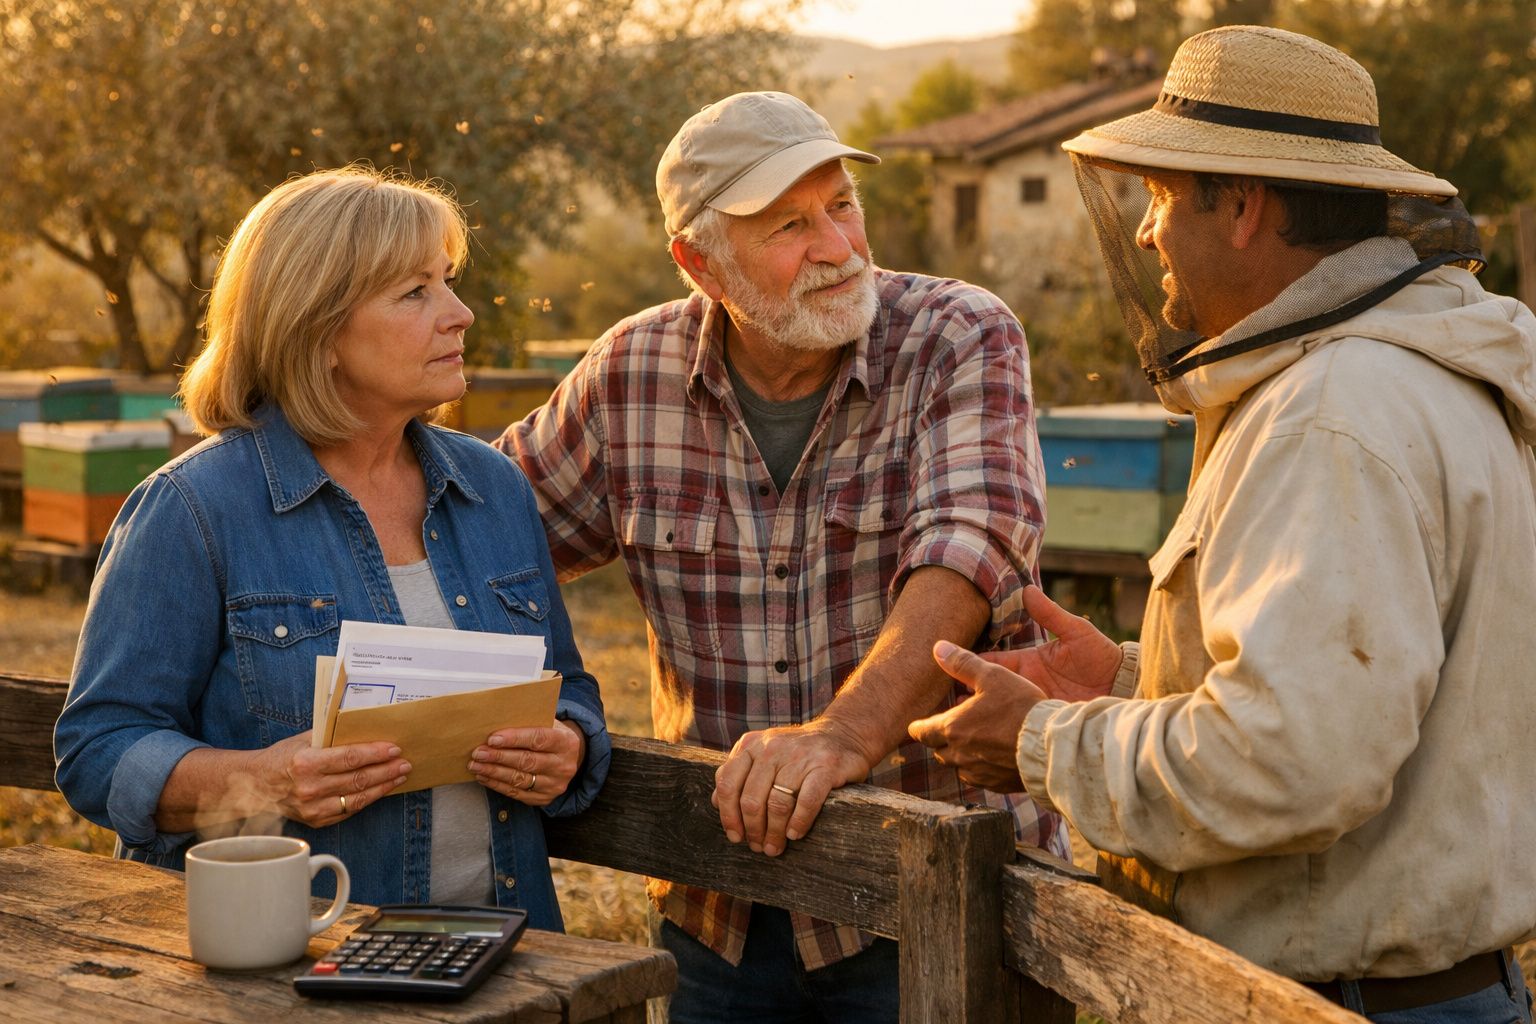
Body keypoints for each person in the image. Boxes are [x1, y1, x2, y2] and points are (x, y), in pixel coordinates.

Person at [910, 25, 1536, 1023]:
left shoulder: (1335, 411)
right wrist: (1125, 684)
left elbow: (1293, 764)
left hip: (1334, 1001)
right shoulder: (1394, 378)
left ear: (1243, 207)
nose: (1148, 231)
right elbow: (1364, 697)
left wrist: (1045, 744)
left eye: (1162, 195)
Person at [498, 90, 1066, 1022]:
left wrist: (841, 738)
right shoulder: (629, 374)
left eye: (841, 205)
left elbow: (970, 547)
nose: (839, 247)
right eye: (789, 226)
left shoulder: (958, 334)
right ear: (698, 260)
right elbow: (481, 533)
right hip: (720, 906)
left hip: (936, 898)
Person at [54, 167, 610, 928]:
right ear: (316, 331)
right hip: (293, 964)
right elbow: (98, 749)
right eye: (415, 292)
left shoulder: (494, 488)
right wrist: (260, 781)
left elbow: (568, 689)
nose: (460, 313)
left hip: (505, 949)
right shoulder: (192, 509)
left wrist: (569, 744)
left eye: (447, 282)